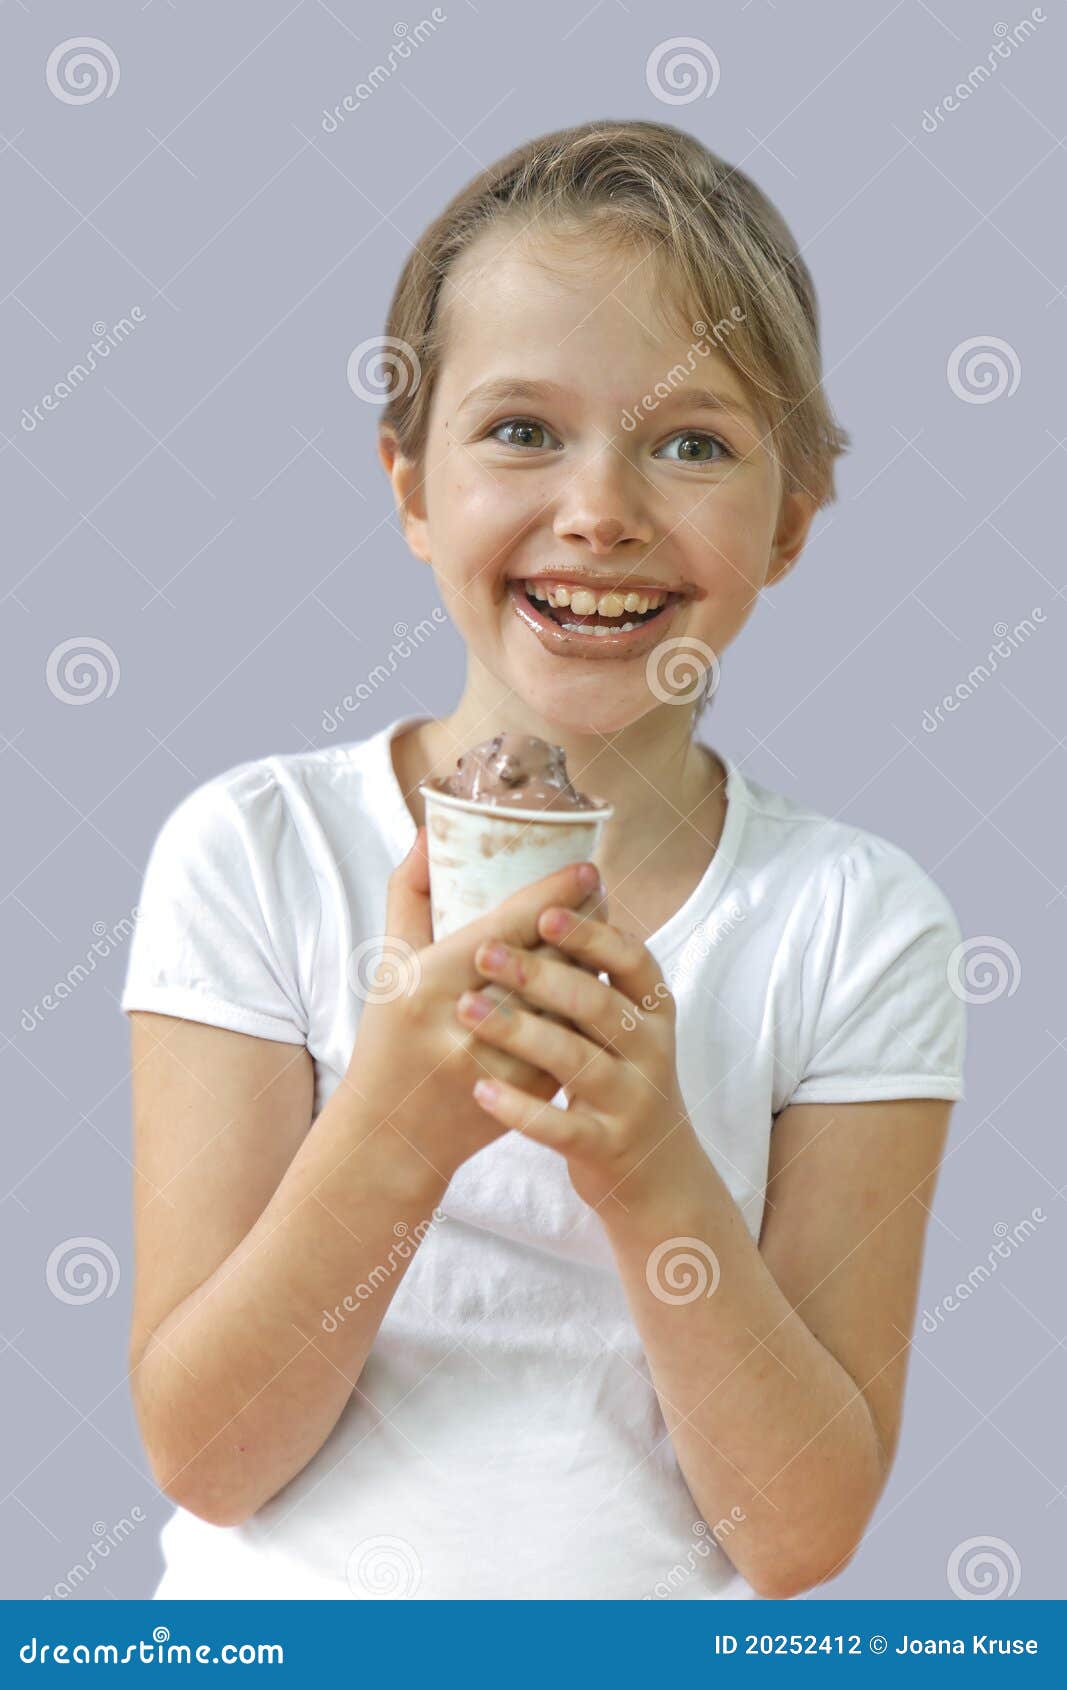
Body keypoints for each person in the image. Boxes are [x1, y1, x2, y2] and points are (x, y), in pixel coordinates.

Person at [121, 119, 966, 1601]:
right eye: (522, 430)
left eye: (693, 442)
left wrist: (648, 1171)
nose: (601, 510)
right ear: (409, 483)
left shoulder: (855, 922)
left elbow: (802, 1532)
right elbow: (208, 1451)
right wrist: (393, 1127)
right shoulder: (253, 853)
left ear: (790, 526)